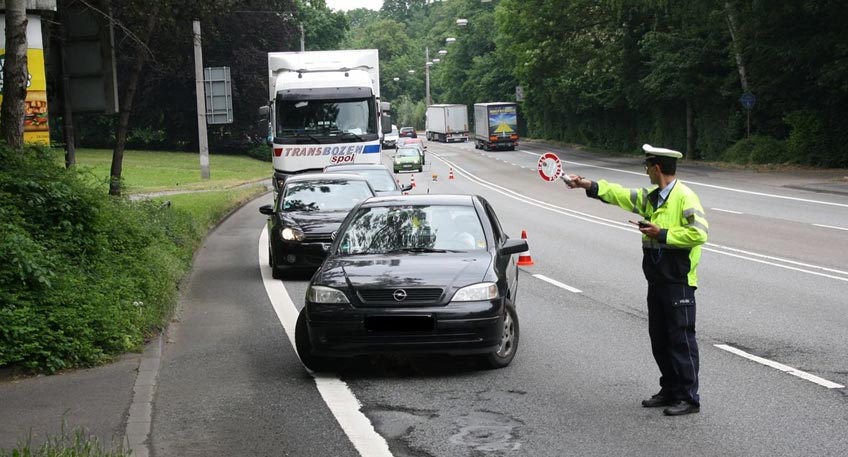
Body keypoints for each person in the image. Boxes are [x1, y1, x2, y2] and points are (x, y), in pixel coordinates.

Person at [564, 144, 709, 416]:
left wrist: (662, 233)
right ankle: (669, 389)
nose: (646, 172)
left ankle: (689, 397)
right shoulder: (652, 197)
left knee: (681, 340)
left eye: (647, 167)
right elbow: (621, 195)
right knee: (660, 338)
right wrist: (586, 185)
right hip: (656, 280)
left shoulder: (685, 197)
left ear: (656, 168)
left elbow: (699, 233)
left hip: (678, 280)